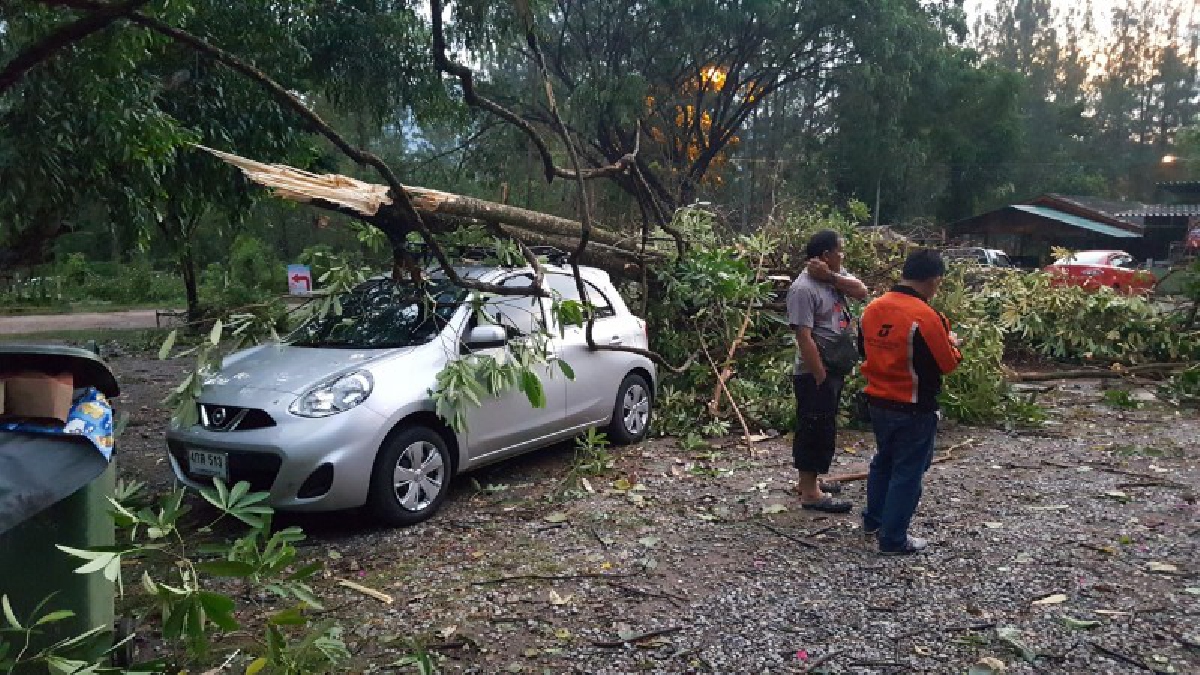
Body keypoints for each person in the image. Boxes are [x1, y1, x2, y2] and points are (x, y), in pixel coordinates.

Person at [858, 248, 962, 555]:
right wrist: (953, 343)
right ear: (934, 280)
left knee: (884, 461)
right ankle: (893, 539)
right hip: (913, 405)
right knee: (908, 471)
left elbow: (864, 350)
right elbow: (947, 363)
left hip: (877, 400)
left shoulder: (872, 308)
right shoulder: (926, 317)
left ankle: (874, 520)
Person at [786, 229, 868, 513]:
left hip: (834, 367)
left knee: (825, 426)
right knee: (814, 427)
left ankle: (811, 480)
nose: (842, 255)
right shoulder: (802, 288)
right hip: (815, 372)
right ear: (825, 255)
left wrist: (831, 277)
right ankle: (810, 492)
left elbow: (862, 291)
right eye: (839, 250)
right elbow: (804, 336)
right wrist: (819, 374)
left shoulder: (833, 278)